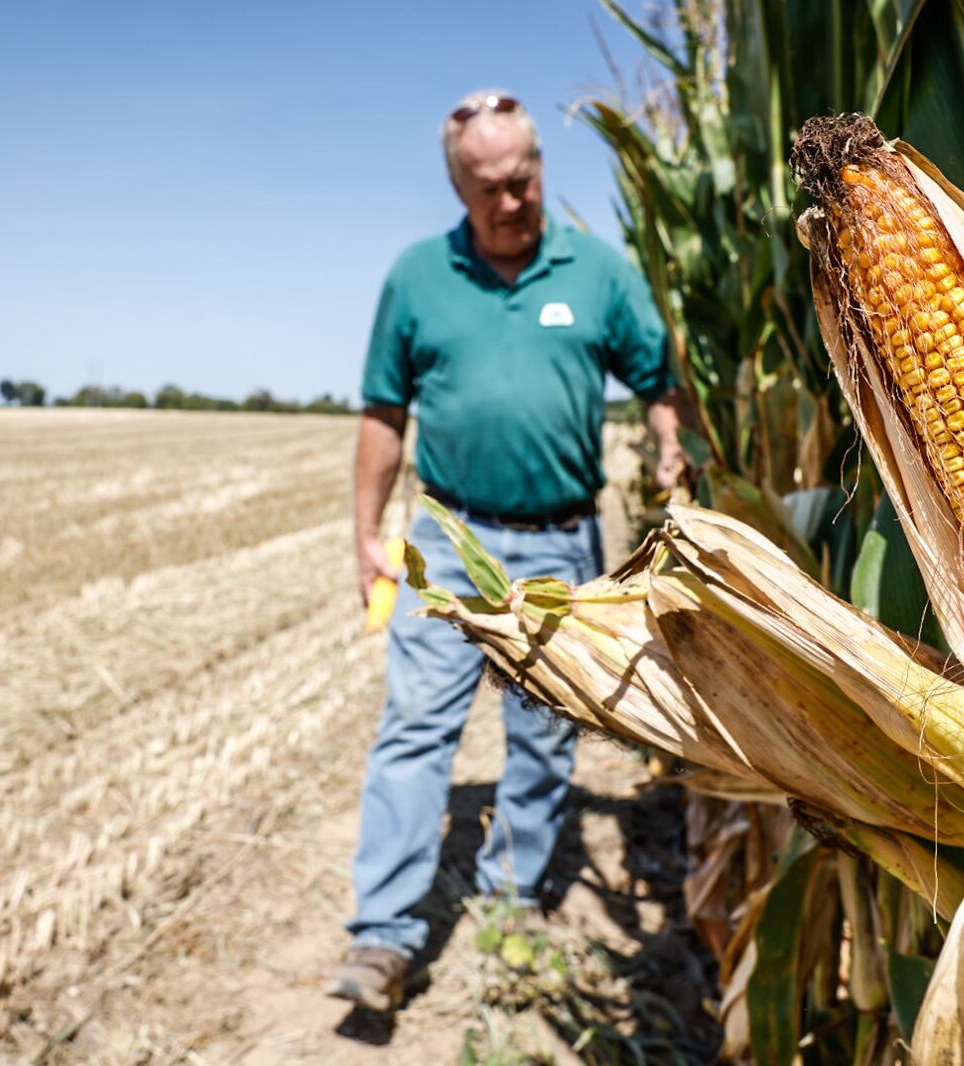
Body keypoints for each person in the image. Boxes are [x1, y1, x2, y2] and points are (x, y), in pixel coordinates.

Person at [328, 89, 685, 1013]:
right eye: (487, 187)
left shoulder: (597, 272)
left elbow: (658, 377)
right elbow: (381, 412)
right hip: (446, 540)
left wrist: (671, 439)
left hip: (563, 542)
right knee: (414, 728)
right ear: (458, 187)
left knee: (545, 734)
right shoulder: (417, 277)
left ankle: (512, 901)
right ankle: (384, 936)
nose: (510, 201)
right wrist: (365, 530)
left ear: (539, 171)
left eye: (522, 180)